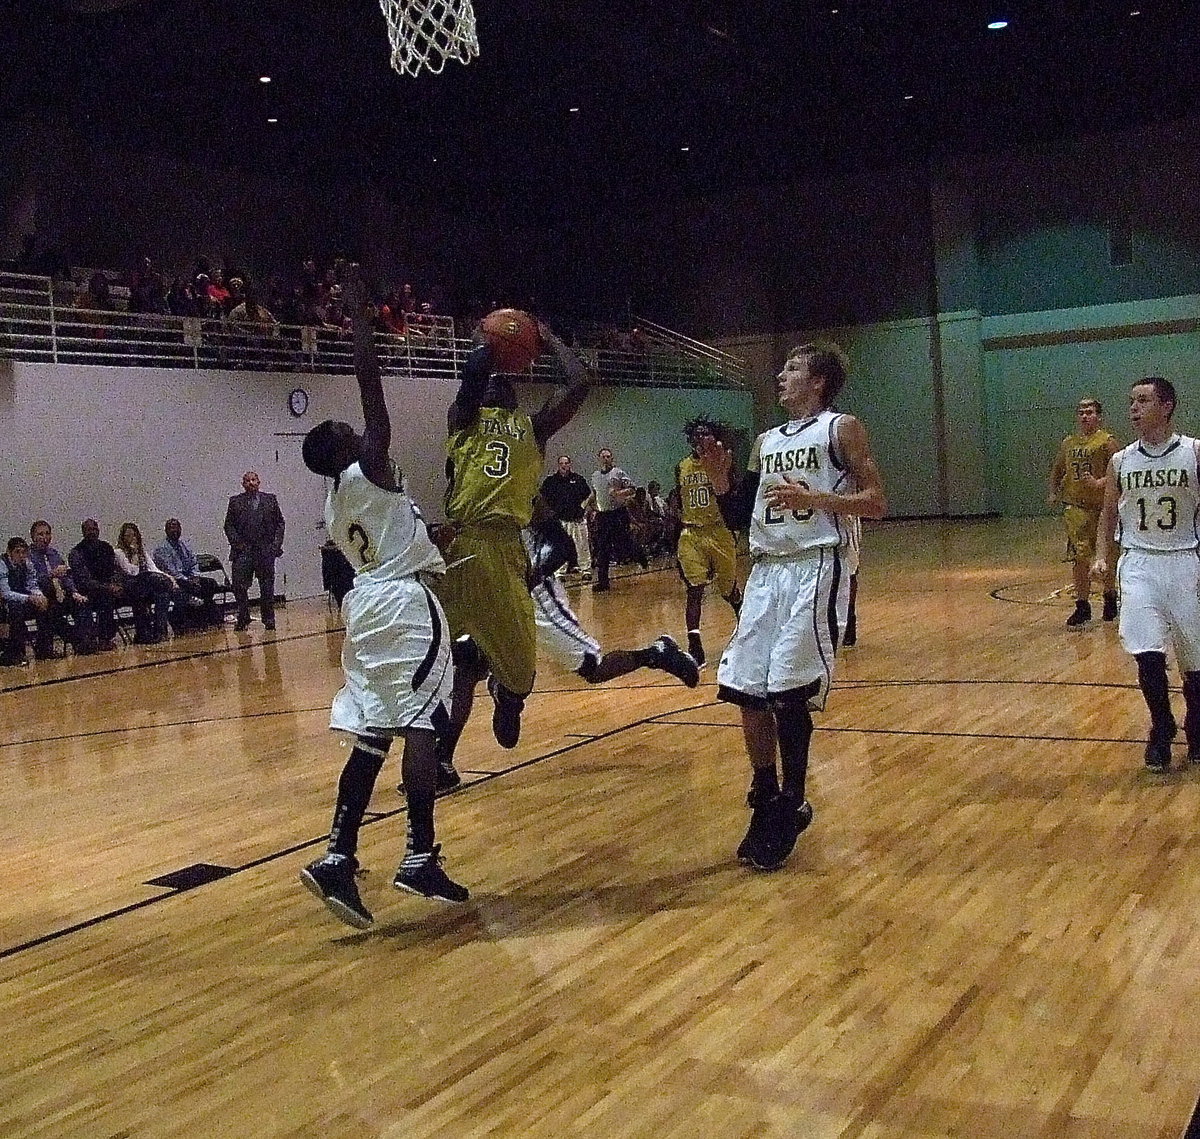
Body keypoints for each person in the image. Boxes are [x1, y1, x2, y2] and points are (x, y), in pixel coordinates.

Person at [298, 267, 464, 927]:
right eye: (348, 427)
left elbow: (391, 535)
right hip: (402, 606)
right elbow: (372, 386)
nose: (357, 425)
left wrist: (428, 536)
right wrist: (359, 313)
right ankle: (418, 855)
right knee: (422, 723)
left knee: (373, 734)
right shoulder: (366, 465)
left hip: (366, 608)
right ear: (346, 446)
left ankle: (338, 856)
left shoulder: (335, 501)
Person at [698, 342, 886, 871]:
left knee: (788, 688)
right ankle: (765, 793)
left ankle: (793, 800)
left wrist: (818, 500)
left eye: (793, 367)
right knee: (746, 686)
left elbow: (876, 501)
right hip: (766, 570)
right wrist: (720, 483)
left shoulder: (840, 429)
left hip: (816, 564)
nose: (781, 375)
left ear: (819, 381)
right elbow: (741, 514)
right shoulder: (764, 441)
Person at [433, 315, 591, 784]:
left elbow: (580, 383)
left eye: (504, 379)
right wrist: (490, 338)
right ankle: (432, 756)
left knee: (522, 675)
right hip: (459, 545)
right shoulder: (462, 419)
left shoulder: (533, 430)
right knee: (436, 660)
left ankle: (509, 693)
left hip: (504, 551)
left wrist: (549, 337)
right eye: (490, 380)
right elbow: (474, 371)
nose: (496, 382)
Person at [1092, 377, 1200, 773]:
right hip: (1139, 561)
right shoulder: (1121, 460)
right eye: (1132, 401)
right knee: (1146, 650)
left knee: (1195, 658)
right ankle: (1161, 726)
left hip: (1186, 559)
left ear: (1166, 406)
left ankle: (1196, 725)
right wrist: (1101, 556)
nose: (1134, 408)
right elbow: (1109, 513)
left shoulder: (1193, 452)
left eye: (1143, 400)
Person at [526, 498, 700, 688]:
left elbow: (563, 545)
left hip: (535, 597)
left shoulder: (526, 499)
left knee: (593, 667)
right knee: (508, 679)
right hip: (504, 598)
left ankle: (656, 653)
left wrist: (534, 574)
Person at [674, 417, 743, 667]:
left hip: (719, 531)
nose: (700, 438)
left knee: (728, 590)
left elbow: (733, 497)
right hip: (691, 533)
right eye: (696, 434)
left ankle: (745, 623)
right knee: (695, 589)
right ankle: (694, 646)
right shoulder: (681, 467)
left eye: (705, 434)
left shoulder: (722, 462)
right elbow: (678, 498)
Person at [1048, 397, 1120, 626]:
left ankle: (1110, 596)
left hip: (1103, 508)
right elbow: (1058, 469)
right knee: (1079, 558)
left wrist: (1100, 483)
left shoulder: (1107, 442)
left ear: (1099, 416)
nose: (1085, 416)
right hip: (1077, 507)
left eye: (1089, 412)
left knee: (1107, 556)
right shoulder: (1069, 443)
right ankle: (1082, 605)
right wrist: (1053, 491)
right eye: (1081, 413)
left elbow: (1119, 472)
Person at [223, 471, 285, 631]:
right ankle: (243, 617)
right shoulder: (235, 502)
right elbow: (228, 526)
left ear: (259, 482)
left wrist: (275, 545)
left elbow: (280, 523)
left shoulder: (270, 500)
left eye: (253, 480)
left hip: (265, 550)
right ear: (243, 484)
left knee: (267, 586)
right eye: (247, 481)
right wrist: (237, 544)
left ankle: (268, 619)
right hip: (243, 551)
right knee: (239, 586)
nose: (250, 483)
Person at [28, 520, 98, 655]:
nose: (44, 537)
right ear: (33, 536)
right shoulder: (29, 556)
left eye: (47, 533)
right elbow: (32, 581)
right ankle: (74, 639)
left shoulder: (54, 554)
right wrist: (51, 574)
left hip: (60, 593)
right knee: (50, 612)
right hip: (41, 596)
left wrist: (74, 592)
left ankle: (86, 641)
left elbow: (65, 576)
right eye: (40, 534)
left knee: (82, 603)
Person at [590, 447, 647, 592]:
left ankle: (639, 554)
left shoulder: (618, 473)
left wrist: (618, 493)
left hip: (618, 514)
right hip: (603, 515)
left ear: (612, 458)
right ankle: (603, 582)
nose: (606, 459)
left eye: (608, 456)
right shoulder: (595, 476)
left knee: (623, 543)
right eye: (603, 456)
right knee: (602, 548)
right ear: (599, 459)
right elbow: (595, 493)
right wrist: (588, 507)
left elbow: (632, 489)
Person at [114, 522, 177, 644]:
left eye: (134, 535)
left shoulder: (142, 552)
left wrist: (170, 578)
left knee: (163, 595)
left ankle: (160, 631)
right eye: (128, 536)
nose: (131, 538)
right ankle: (144, 633)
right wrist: (135, 555)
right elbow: (132, 572)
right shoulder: (118, 553)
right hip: (129, 589)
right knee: (148, 581)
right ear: (123, 538)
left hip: (145, 588)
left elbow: (154, 568)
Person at [154, 519, 224, 630]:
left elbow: (193, 562)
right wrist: (187, 580)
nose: (175, 530)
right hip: (173, 580)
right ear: (166, 530)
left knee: (210, 583)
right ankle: (183, 618)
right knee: (191, 587)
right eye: (172, 528)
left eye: (177, 527)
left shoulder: (184, 545)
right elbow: (170, 570)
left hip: (189, 577)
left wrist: (195, 576)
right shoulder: (161, 549)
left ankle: (205, 616)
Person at [68, 519, 127, 647]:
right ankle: (98, 639)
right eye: (89, 530)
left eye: (94, 529)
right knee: (104, 598)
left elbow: (115, 570)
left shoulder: (106, 548)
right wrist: (107, 587)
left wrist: (117, 584)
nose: (92, 532)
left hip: (109, 589)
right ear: (83, 532)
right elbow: (84, 581)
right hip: (87, 592)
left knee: (136, 593)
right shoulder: (76, 553)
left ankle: (143, 633)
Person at [539, 454, 592, 581]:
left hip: (577, 519)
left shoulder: (578, 479)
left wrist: (583, 508)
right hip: (560, 521)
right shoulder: (551, 482)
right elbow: (542, 498)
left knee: (582, 546)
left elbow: (589, 495)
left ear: (570, 464)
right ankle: (559, 573)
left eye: (566, 463)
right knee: (559, 547)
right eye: (561, 463)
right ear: (558, 465)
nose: (564, 466)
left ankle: (585, 570)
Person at [1, 537, 47, 665]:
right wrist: (29, 598)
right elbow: (5, 593)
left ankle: (43, 649)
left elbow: (32, 585)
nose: (21, 556)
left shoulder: (27, 564)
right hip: (6, 603)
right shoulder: (2, 565)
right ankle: (16, 652)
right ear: (9, 552)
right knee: (16, 611)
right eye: (17, 552)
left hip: (22, 599)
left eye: (23, 552)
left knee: (45, 607)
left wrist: (39, 596)